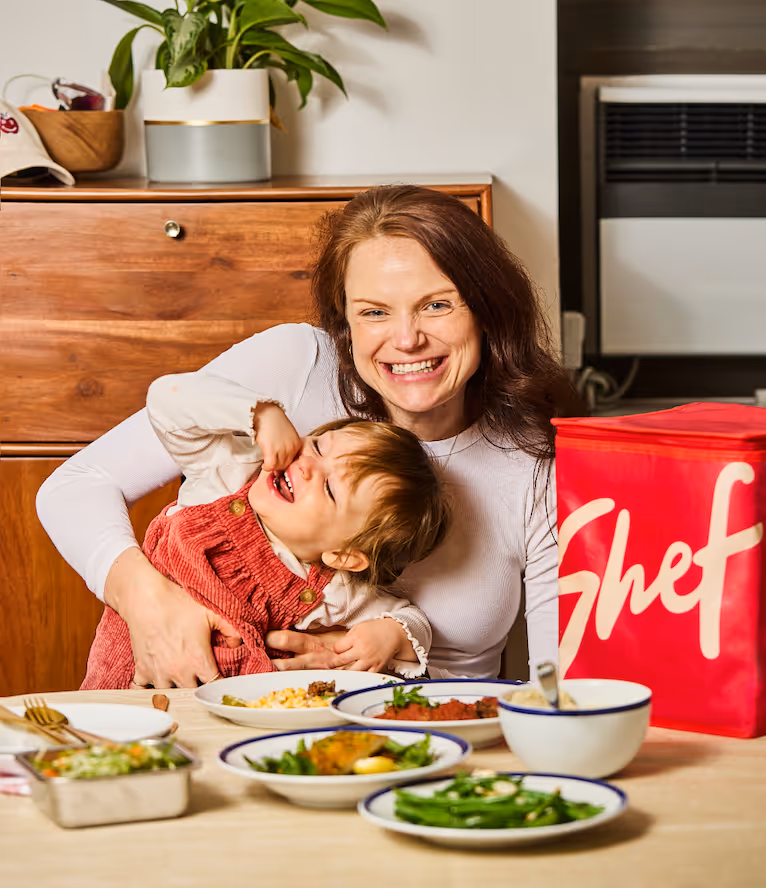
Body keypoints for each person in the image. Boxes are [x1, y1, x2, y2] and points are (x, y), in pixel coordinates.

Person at [37, 184, 583, 688]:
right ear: (344, 321)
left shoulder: (537, 466)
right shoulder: (293, 371)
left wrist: (376, 668)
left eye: (437, 304)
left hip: (418, 745)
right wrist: (149, 602)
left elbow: (561, 688)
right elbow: (76, 485)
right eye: (374, 312)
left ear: (486, 311)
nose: (407, 338)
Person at [81, 371, 449, 689]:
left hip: (219, 727)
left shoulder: (332, 589)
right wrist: (260, 413)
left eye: (329, 489)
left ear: (343, 556)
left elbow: (411, 619)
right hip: (115, 696)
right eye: (319, 446)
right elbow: (166, 398)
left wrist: (391, 635)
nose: (307, 466)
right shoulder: (227, 471)